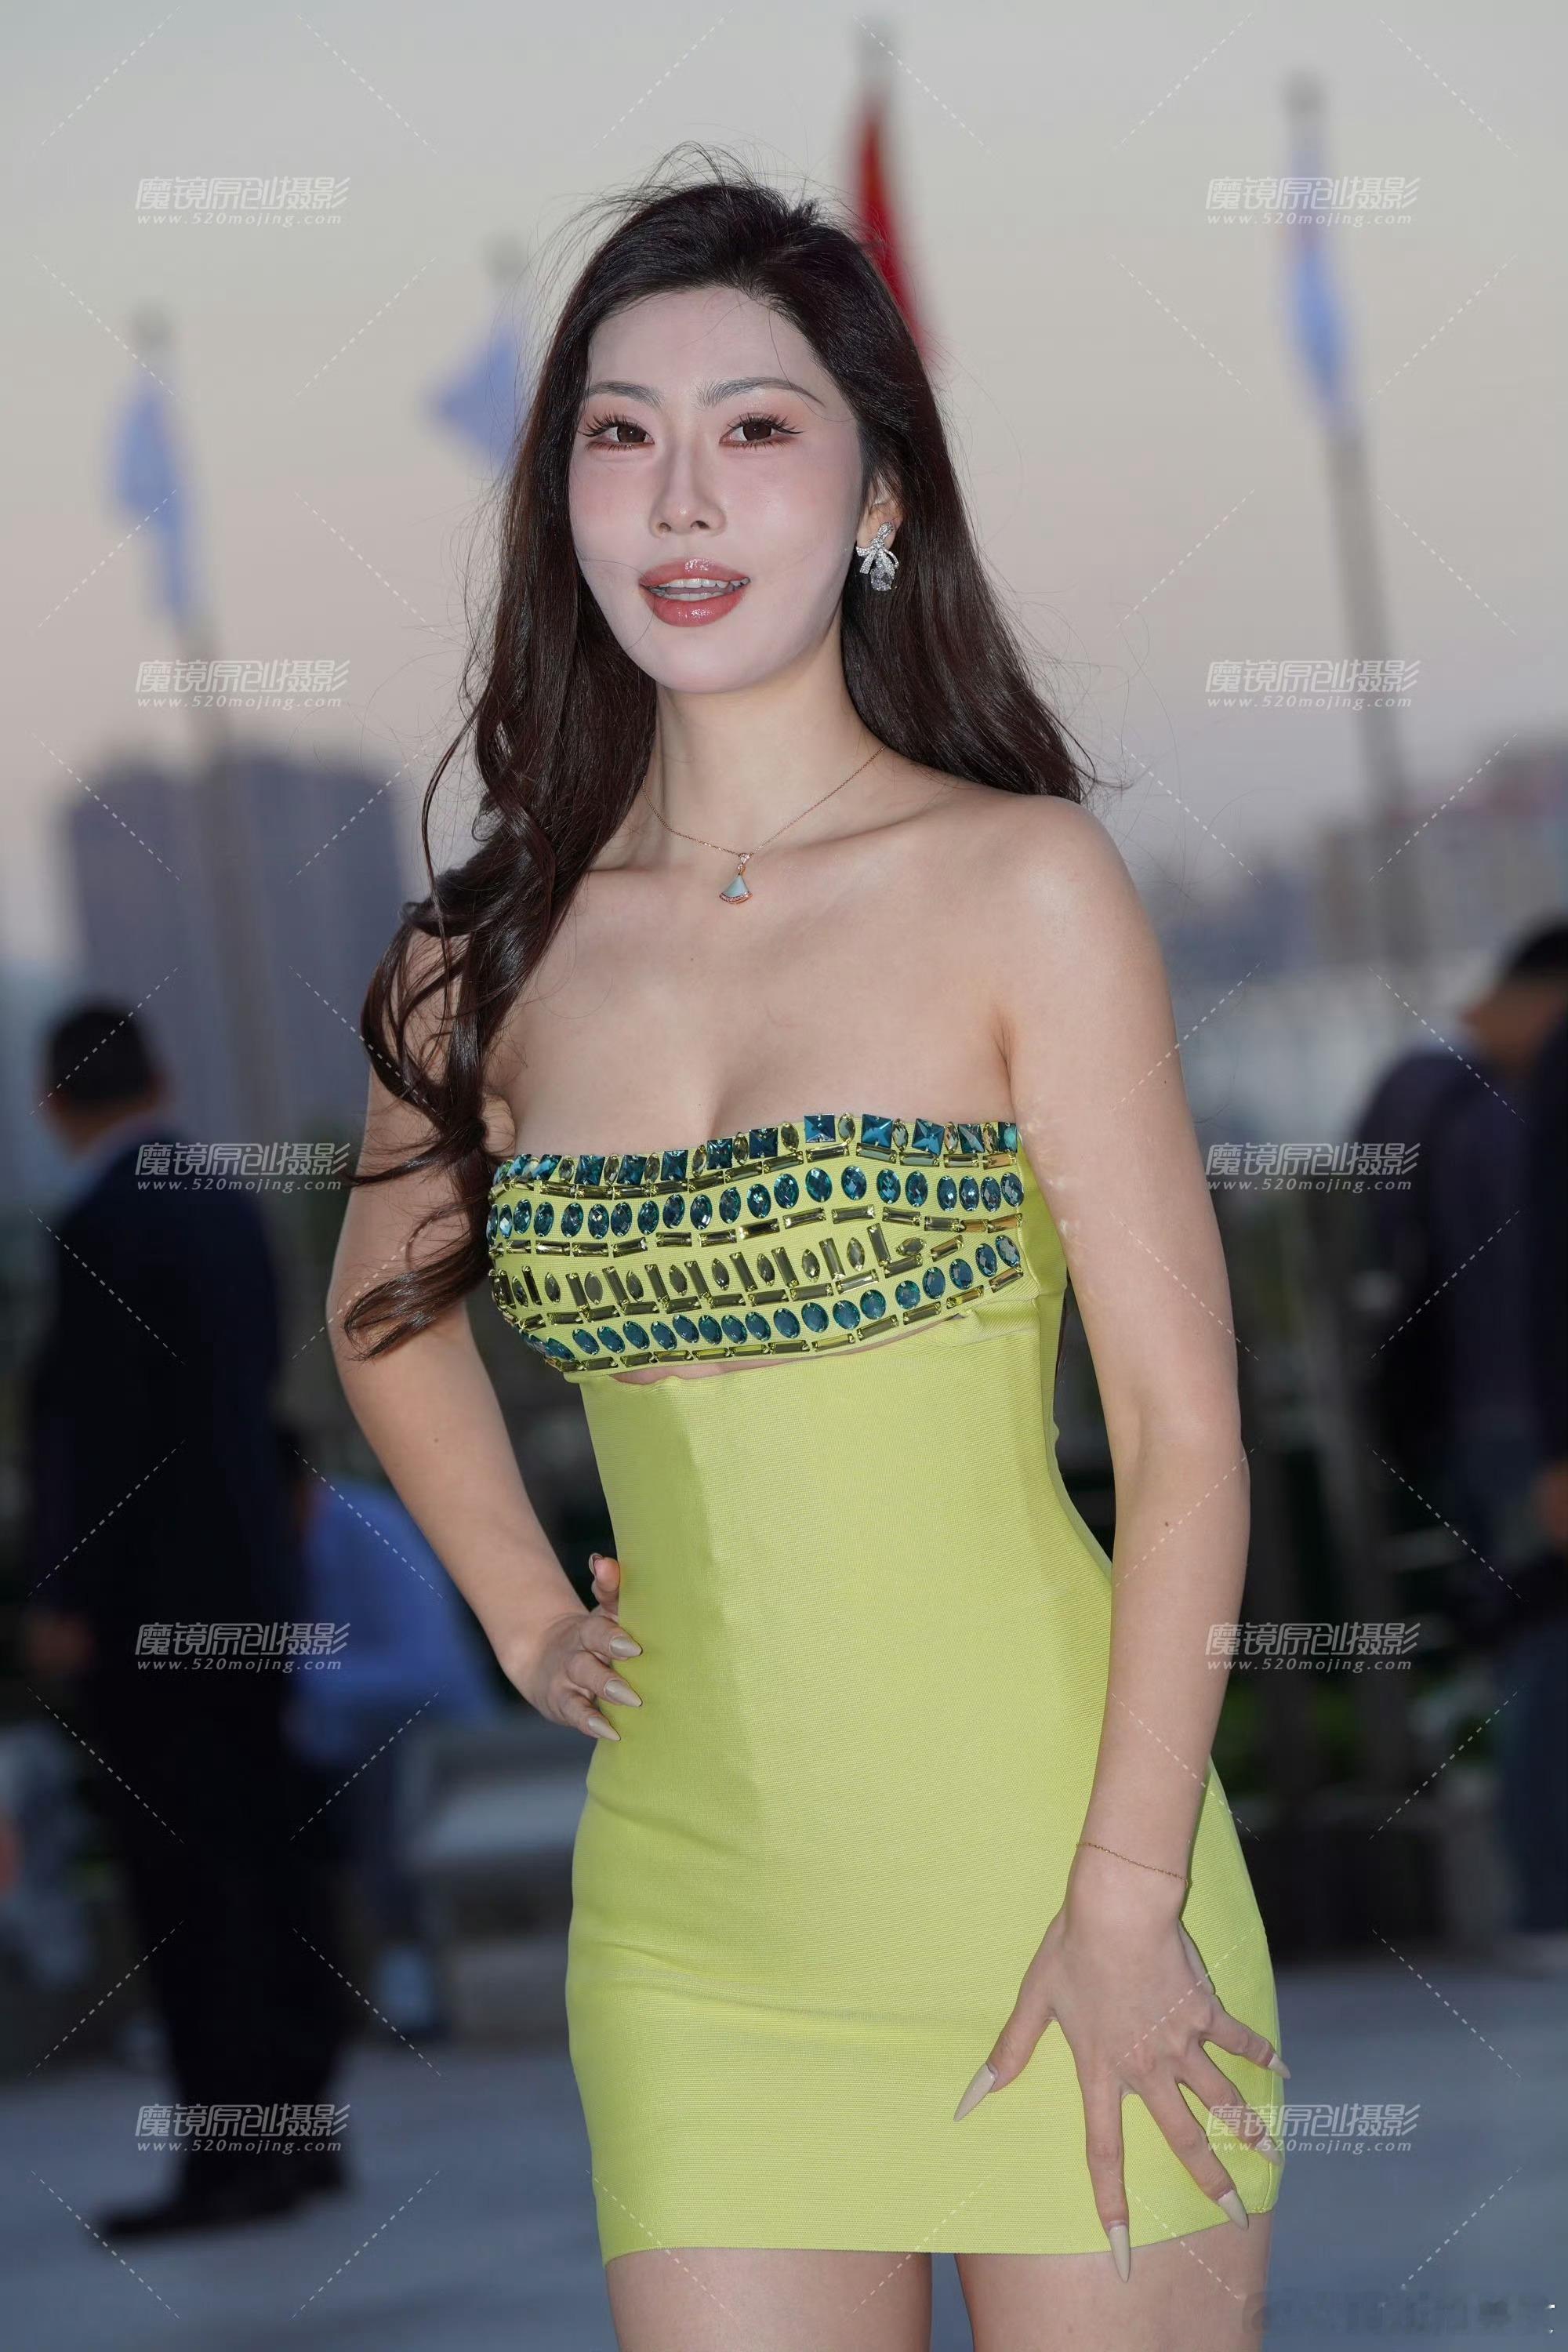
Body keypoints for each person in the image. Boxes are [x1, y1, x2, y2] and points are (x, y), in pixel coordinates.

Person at [326, 156, 1287, 2351]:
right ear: (563, 501)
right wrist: (521, 1615)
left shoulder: (1022, 886)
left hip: (1063, 1871)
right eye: (621, 432)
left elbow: (1184, 1433)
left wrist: (1124, 1898)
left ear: (877, 492)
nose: (680, 496)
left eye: (754, 427)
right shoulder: (480, 957)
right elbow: (381, 1320)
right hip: (695, 1934)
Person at [21, 1004, 352, 2235]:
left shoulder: (100, 1226)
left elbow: (100, 1440)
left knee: (188, 1887)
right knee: (271, 1862)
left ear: (53, 1105)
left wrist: (67, 1593)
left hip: (152, 1619)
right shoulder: (226, 1204)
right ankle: (302, 2133)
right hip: (252, 1598)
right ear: (160, 1078)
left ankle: (230, 2161)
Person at [274, 1418, 505, 2033]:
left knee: (386, 1758)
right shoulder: (272, 1546)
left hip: (430, 1743)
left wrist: (285, 1678)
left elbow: (427, 1673)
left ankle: (409, 1959)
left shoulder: (368, 1527)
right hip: (332, 1750)